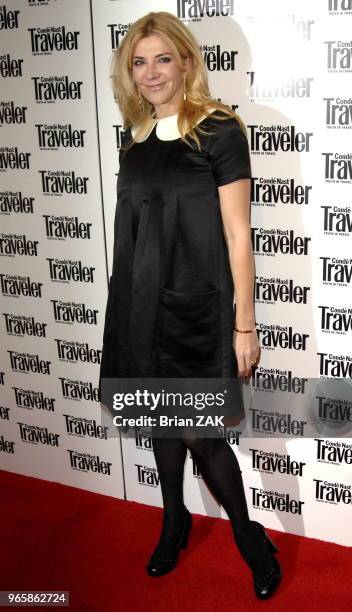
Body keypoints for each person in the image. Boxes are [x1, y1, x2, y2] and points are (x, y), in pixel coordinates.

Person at [99, 11, 282, 600]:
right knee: (159, 418)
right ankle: (173, 518)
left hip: (197, 312)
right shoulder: (135, 142)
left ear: (185, 61)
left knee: (202, 435)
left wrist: (244, 324)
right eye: (138, 62)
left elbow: (237, 234)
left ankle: (250, 537)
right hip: (138, 304)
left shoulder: (220, 131)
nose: (151, 73)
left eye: (162, 59)